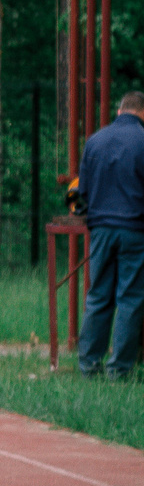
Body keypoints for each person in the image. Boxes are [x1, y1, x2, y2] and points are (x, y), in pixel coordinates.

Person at [75, 90, 144, 377]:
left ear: (119, 110)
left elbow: (81, 194)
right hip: (135, 231)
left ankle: (89, 365)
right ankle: (120, 369)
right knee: (130, 298)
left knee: (98, 295)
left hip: (101, 230)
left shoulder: (94, 141)